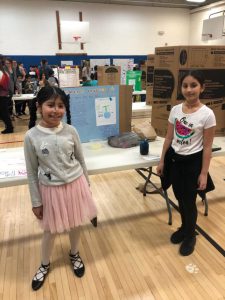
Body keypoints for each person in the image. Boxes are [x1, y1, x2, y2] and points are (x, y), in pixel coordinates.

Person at [24, 86, 97, 291]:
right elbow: (31, 172)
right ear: (39, 107)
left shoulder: (71, 130)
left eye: (60, 106)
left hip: (76, 185)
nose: (56, 110)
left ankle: (74, 253)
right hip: (51, 191)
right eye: (50, 105)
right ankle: (44, 264)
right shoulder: (31, 137)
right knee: (50, 231)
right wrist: (36, 201)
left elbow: (81, 160)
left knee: (76, 224)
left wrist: (87, 187)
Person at [156, 70, 216, 256]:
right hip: (175, 162)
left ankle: (190, 235)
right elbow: (168, 137)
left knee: (189, 202)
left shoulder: (207, 114)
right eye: (185, 86)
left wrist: (204, 173)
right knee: (180, 198)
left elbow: (207, 147)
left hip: (193, 165)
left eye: (193, 85)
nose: (189, 90)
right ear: (181, 88)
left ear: (202, 87)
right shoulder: (175, 110)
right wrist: (162, 160)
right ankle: (184, 228)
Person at [0, 55, 14, 134]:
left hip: (3, 95)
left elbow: (4, 85)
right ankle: (9, 127)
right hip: (4, 95)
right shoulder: (4, 72)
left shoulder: (2, 72)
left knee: (4, 112)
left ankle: (9, 127)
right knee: (3, 112)